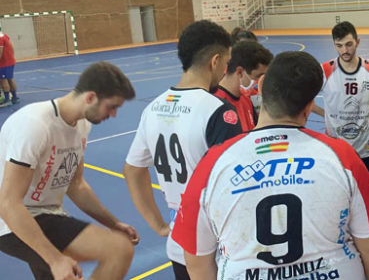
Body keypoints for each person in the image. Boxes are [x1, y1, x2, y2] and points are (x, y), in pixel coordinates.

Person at [171, 51, 369, 280]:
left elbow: (196, 260)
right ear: (309, 106)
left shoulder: (213, 163)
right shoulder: (342, 156)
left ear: (261, 86)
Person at [124, 20, 242, 280]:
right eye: (226, 62)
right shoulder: (218, 112)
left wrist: (158, 224)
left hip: (179, 245)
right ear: (215, 61)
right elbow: (236, 183)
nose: (225, 71)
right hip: (216, 250)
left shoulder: (153, 108)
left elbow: (132, 169)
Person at [0, 61, 138, 280]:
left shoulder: (82, 125)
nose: (113, 115)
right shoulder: (34, 125)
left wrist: (113, 223)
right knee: (118, 250)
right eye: (112, 107)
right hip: (15, 221)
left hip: (48, 214)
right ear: (91, 97)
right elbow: (8, 204)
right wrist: (54, 258)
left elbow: (77, 186)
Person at [311, 21, 369, 177]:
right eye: (339, 46)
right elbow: (304, 99)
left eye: (349, 44)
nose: (344, 50)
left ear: (357, 42)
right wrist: (325, 114)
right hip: (335, 148)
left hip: (366, 149)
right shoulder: (324, 71)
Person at [214, 41, 273, 132]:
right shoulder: (215, 103)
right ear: (240, 72)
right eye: (258, 76)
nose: (259, 82)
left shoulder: (247, 100)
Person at [0, 30, 19, 107]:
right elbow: (12, 47)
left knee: (3, 80)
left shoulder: (0, 39)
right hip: (10, 61)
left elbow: (0, 53)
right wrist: (11, 57)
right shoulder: (4, 35)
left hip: (4, 63)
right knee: (10, 79)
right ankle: (15, 98)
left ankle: (7, 100)